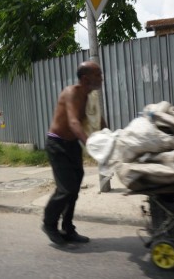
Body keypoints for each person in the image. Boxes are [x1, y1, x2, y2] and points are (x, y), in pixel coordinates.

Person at [42, 61, 107, 245]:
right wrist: (90, 145)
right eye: (98, 74)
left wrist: (109, 138)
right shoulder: (71, 93)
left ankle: (68, 228)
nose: (101, 78)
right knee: (66, 188)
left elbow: (98, 119)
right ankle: (49, 224)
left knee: (75, 187)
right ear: (86, 78)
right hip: (57, 144)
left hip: (71, 145)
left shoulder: (90, 96)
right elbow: (73, 122)